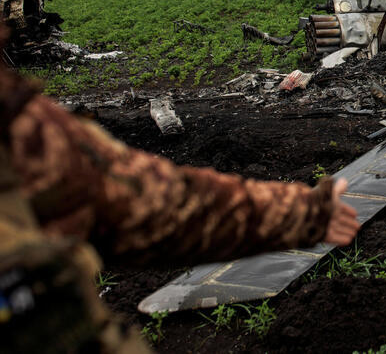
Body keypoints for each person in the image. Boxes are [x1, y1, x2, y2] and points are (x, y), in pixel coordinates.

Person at [0, 37, 360, 352]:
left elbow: (147, 202)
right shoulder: (20, 127)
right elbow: (148, 202)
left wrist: (302, 214)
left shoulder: (21, 129)